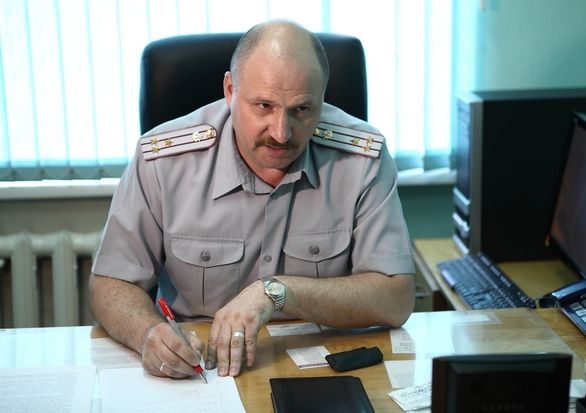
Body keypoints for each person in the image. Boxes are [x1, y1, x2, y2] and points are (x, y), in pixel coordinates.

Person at [89, 19, 415, 379]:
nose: (281, 133)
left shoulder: (362, 159)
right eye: (264, 106)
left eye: (302, 109)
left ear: (322, 99)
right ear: (230, 91)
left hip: (321, 364)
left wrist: (277, 292)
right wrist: (148, 334)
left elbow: (396, 297)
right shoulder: (163, 161)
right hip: (203, 368)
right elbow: (110, 283)